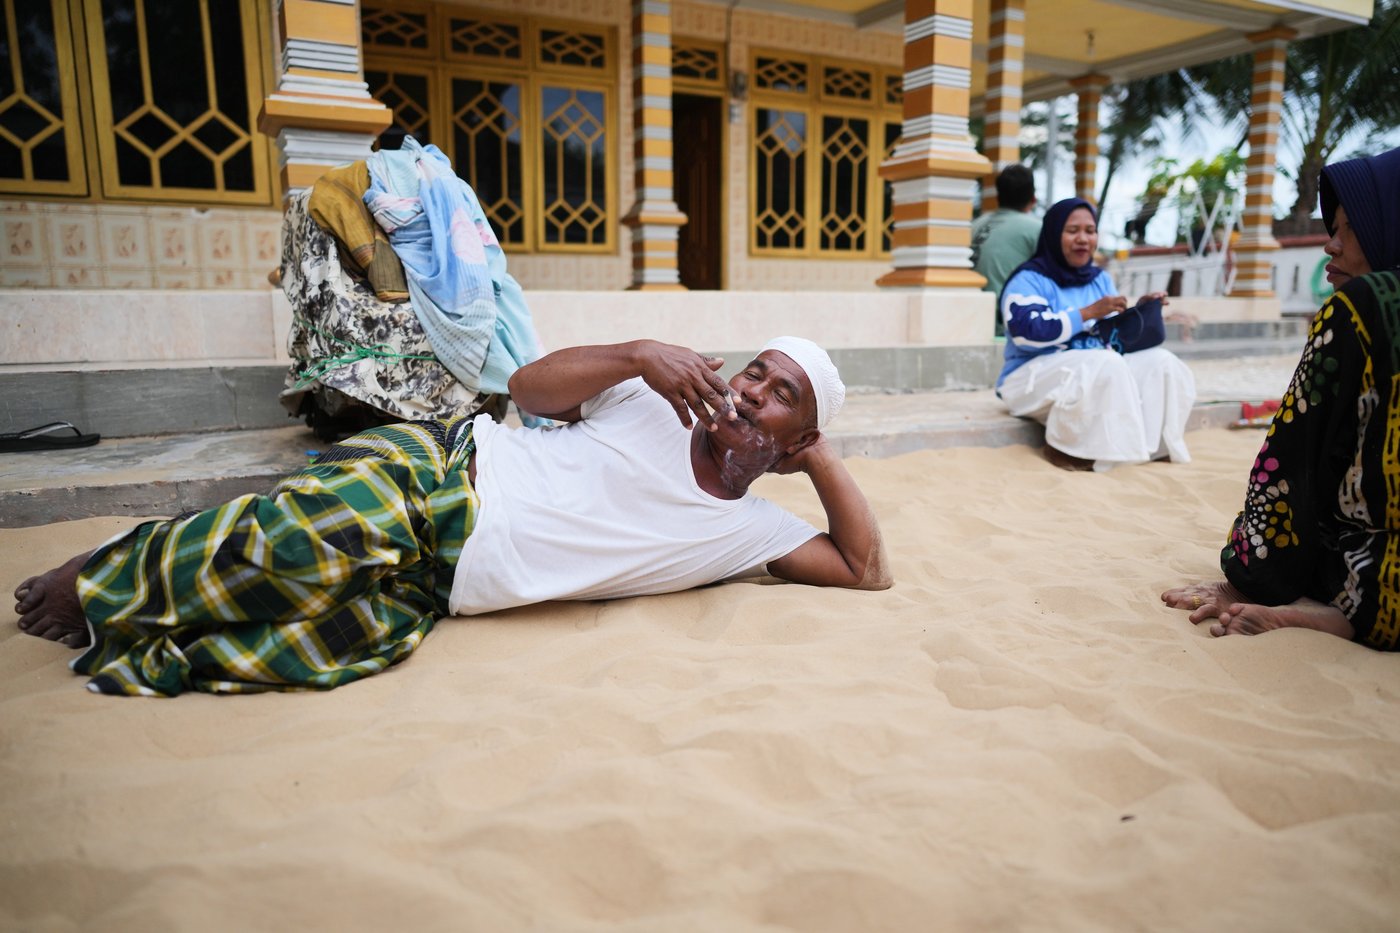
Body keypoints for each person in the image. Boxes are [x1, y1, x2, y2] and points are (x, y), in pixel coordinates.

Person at [13, 337, 891, 696]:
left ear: (796, 435)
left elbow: (864, 570)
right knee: (316, 533)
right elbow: (526, 391)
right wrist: (634, 353)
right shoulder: (649, 396)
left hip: (442, 585)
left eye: (781, 398)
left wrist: (810, 455)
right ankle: (100, 576)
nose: (751, 392)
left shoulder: (753, 531)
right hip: (445, 475)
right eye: (754, 372)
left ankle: (133, 616)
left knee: (306, 643)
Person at [1162, 146, 1400, 649]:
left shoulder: (1362, 305)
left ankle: (1340, 616)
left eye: (1348, 228)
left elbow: (1290, 454)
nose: (1330, 247)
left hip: (1382, 580)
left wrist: (1246, 577)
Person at [996, 197, 1197, 471]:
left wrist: (1140, 312)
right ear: (1054, 234)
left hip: (1091, 371)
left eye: (1090, 231)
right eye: (1072, 231)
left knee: (1162, 362)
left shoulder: (1099, 278)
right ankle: (1069, 450)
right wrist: (1087, 312)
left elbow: (1112, 339)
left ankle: (1149, 448)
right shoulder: (1029, 278)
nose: (1083, 239)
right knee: (1103, 363)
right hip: (1030, 377)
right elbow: (1026, 333)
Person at [971, 164, 1041, 336]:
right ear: (1033, 199)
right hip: (1008, 327)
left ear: (998, 196)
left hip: (970, 319)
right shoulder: (1037, 229)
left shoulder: (974, 226)